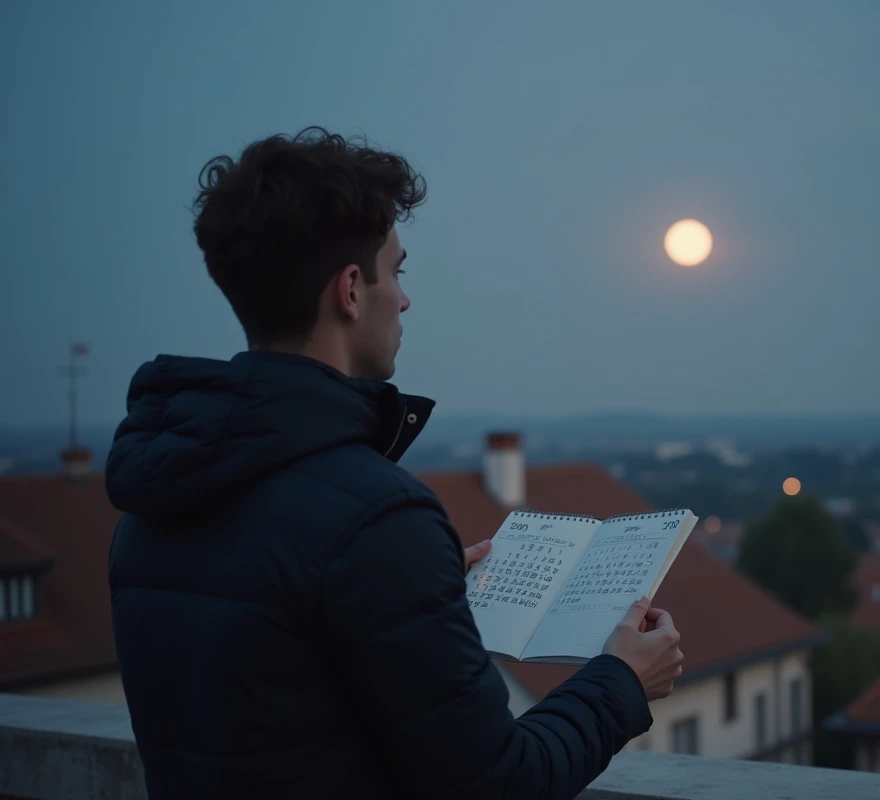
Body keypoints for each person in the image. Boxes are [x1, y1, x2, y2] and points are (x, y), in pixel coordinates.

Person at [106, 127, 684, 800]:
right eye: (398, 271)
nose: (404, 299)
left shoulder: (150, 499)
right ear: (351, 290)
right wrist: (622, 680)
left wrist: (417, 595)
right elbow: (499, 782)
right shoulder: (376, 519)